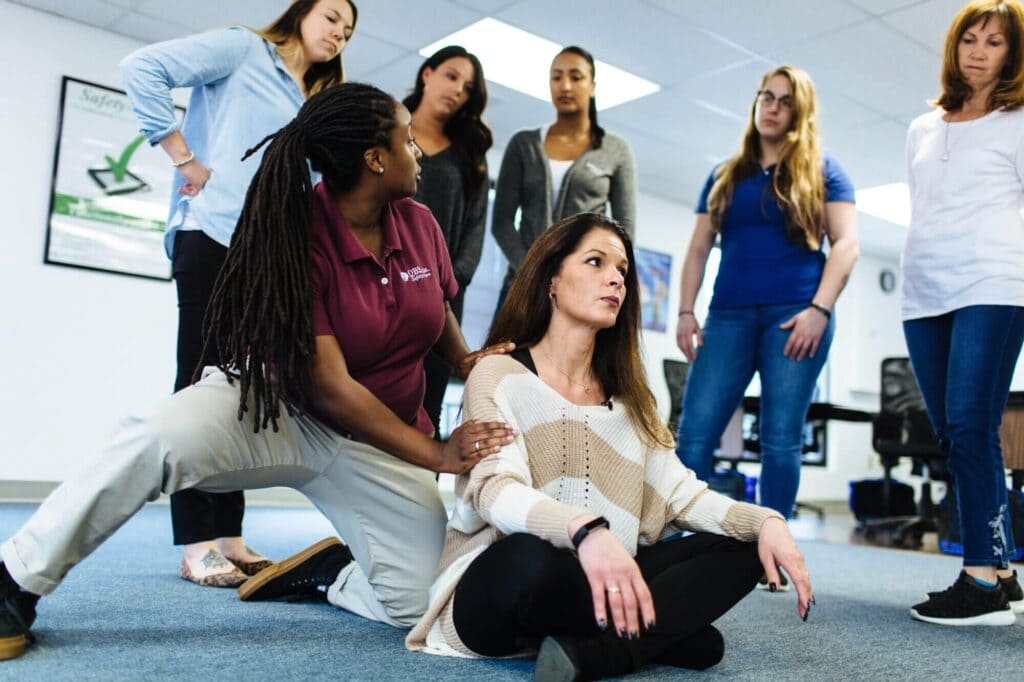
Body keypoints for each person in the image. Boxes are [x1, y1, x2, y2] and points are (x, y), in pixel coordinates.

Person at [0, 82, 516, 662]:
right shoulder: (296, 233)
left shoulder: (418, 221)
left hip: (380, 433)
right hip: (275, 408)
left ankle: (331, 573)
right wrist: (438, 453)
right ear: (375, 158)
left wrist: (467, 359)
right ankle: (16, 577)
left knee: (421, 600)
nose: (418, 151)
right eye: (406, 140)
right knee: (155, 438)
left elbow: (435, 304)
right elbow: (330, 386)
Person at [405, 213, 814, 680]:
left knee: (741, 544)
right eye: (595, 262)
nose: (615, 278)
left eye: (621, 269)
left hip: (600, 579)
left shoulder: (634, 402)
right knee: (529, 557)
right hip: (506, 587)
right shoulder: (498, 374)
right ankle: (659, 632)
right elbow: (495, 492)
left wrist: (767, 522)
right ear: (552, 280)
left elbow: (683, 496)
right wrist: (585, 532)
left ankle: (601, 653)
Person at [120, 0, 359, 587]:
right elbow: (141, 67)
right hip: (213, 236)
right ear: (302, 11)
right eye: (332, 16)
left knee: (239, 394)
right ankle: (197, 542)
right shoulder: (243, 48)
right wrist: (185, 159)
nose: (338, 32)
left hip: (264, 261)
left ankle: (228, 535)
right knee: (199, 384)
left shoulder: (310, 103)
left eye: (348, 30)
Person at [673, 66, 859, 566]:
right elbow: (697, 248)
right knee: (694, 433)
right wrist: (686, 311)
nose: (771, 107)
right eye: (765, 97)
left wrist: (819, 310)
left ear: (799, 114)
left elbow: (847, 245)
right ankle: (677, 543)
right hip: (728, 314)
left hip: (795, 316)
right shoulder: (725, 174)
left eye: (783, 101)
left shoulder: (824, 171)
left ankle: (769, 554)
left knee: (780, 439)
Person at [901, 0, 1024, 626]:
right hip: (924, 293)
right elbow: (926, 208)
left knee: (973, 426)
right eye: (969, 38)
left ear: (1014, 52)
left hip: (994, 282)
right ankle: (1001, 569)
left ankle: (978, 578)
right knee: (955, 433)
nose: (978, 50)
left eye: (995, 41)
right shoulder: (924, 128)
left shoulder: (1022, 119)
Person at [491, 45, 636, 312]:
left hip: (585, 291)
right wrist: (532, 269)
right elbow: (501, 222)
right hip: (522, 286)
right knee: (506, 354)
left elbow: (624, 232)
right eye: (556, 77)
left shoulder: (615, 150)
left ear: (592, 85)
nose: (565, 85)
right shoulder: (523, 144)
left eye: (576, 77)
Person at [403, 46, 492, 438]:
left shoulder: (469, 157)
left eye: (468, 87)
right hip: (382, 286)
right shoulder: (390, 132)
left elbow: (474, 232)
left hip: (441, 300)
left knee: (427, 411)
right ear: (427, 73)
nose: (458, 90)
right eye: (451, 76)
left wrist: (446, 284)